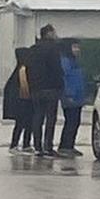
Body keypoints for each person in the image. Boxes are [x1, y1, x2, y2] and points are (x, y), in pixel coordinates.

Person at [27, 25, 64, 157]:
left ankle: (37, 146)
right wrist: (60, 85)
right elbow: (56, 68)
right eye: (54, 32)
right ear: (49, 33)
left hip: (36, 88)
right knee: (50, 118)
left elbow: (28, 69)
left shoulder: (33, 49)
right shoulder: (53, 49)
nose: (55, 34)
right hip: (51, 88)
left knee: (37, 116)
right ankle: (48, 146)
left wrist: (31, 85)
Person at [2, 47, 34, 154]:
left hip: (22, 102)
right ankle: (15, 145)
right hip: (23, 102)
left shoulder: (20, 69)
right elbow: (25, 88)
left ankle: (25, 144)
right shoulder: (22, 70)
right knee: (21, 124)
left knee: (27, 124)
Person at [57, 38, 86, 157]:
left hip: (77, 97)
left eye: (78, 47)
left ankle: (69, 145)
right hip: (70, 97)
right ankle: (65, 146)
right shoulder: (65, 61)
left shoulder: (74, 61)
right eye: (74, 47)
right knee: (71, 121)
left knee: (75, 121)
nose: (77, 50)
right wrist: (68, 94)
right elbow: (65, 79)